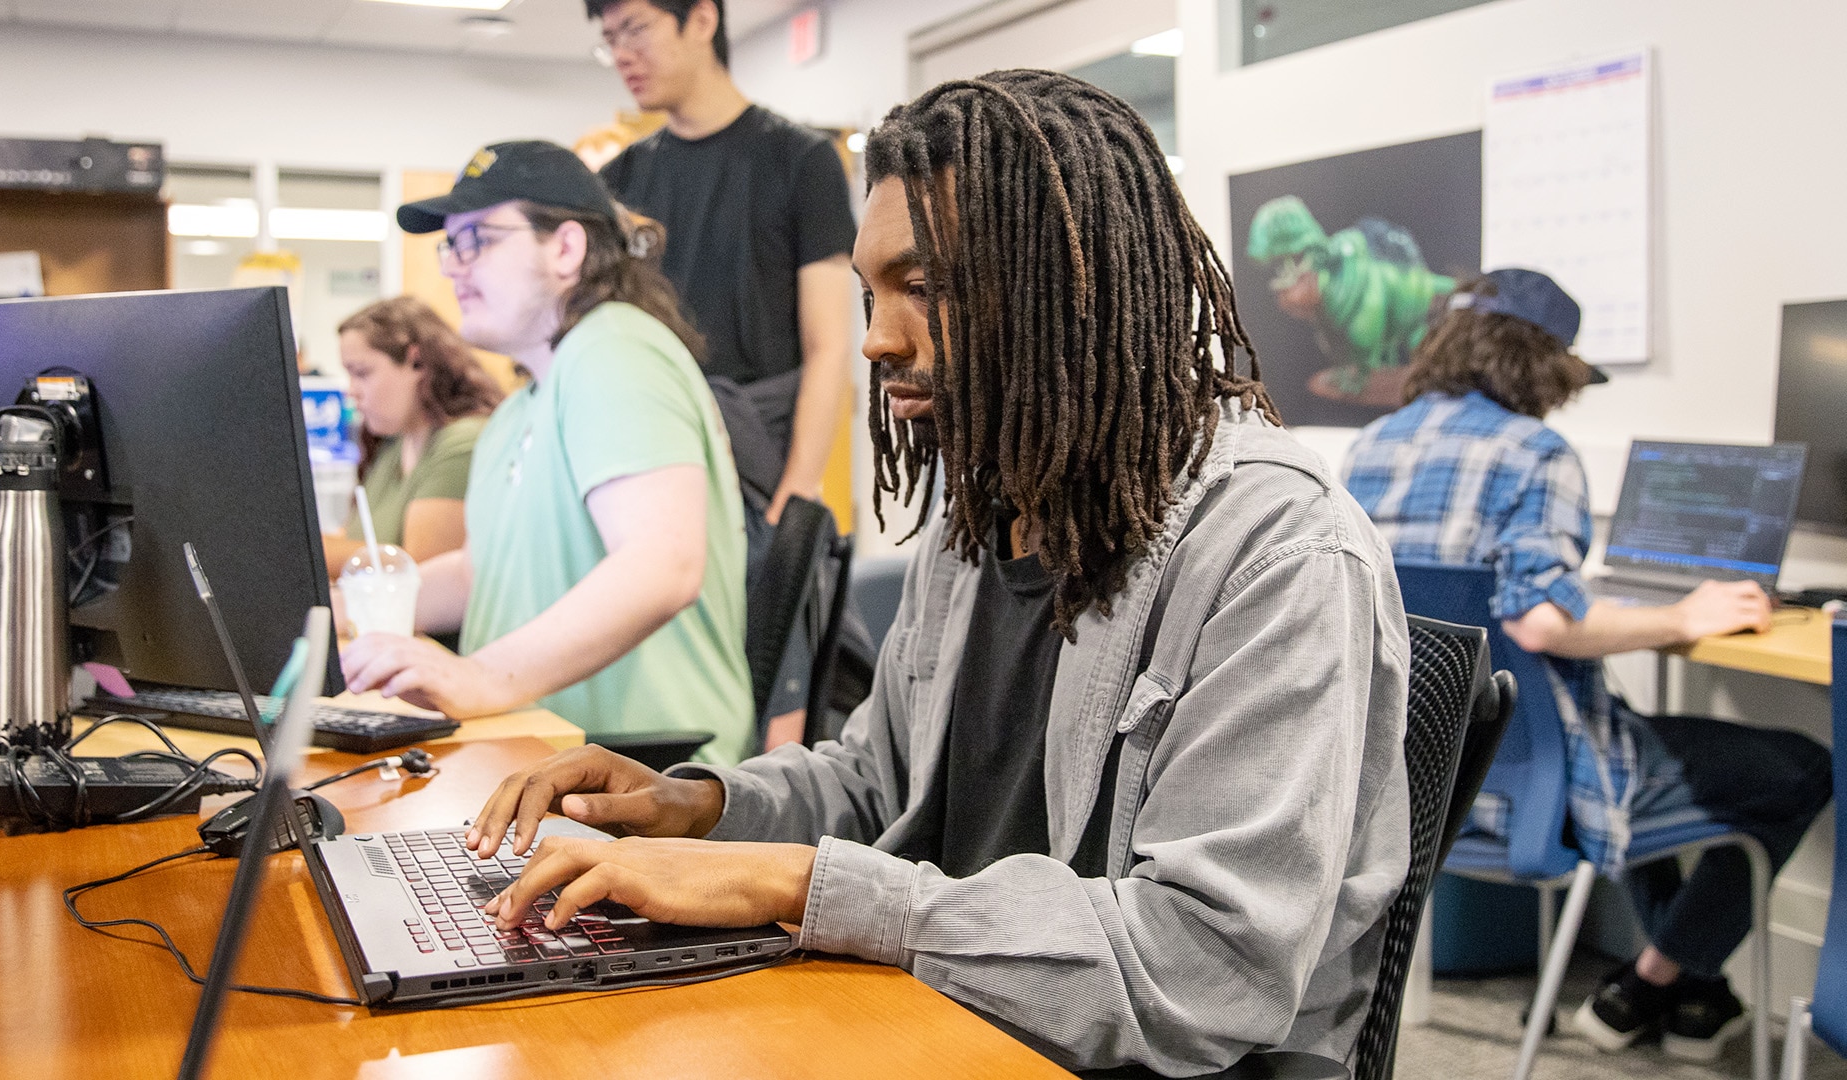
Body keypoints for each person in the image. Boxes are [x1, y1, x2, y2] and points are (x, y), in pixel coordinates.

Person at [462, 71, 1412, 1075]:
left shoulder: (1278, 550)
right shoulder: (986, 515)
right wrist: (697, 810)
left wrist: (795, 886)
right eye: (872, 293)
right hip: (951, 1020)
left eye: (931, 287)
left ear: (1079, 281)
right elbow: (881, 780)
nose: (876, 338)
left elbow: (1206, 967)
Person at [1341, 269, 1833, 1062]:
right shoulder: (1537, 452)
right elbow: (1539, 622)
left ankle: (1692, 997)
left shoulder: (1372, 447)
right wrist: (1685, 615)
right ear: (1540, 360)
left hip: (1428, 783)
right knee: (1801, 768)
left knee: (1646, 739)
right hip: (1542, 790)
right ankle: (1649, 978)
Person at [339, 140, 755, 766]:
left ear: (566, 248)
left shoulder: (617, 347)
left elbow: (663, 565)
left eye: (477, 238)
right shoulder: (518, 410)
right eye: (451, 245)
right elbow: (482, 572)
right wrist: (338, 614)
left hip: (645, 772)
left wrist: (480, 677)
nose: (453, 266)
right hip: (540, 756)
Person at [587, 0, 856, 525]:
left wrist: (798, 489)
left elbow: (829, 347)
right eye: (610, 39)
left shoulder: (801, 161)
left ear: (703, 20)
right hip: (651, 447)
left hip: (761, 461)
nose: (622, 55)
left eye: (635, 31)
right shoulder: (620, 180)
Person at [321, 296, 502, 573]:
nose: (351, 390)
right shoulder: (393, 447)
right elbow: (353, 538)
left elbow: (421, 567)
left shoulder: (463, 442)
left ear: (417, 362)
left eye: (362, 373)